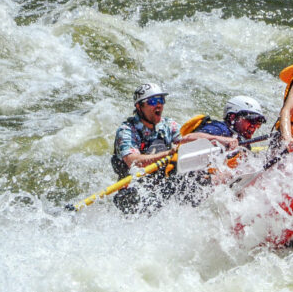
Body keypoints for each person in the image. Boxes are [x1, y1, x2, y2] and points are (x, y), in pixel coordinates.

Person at [110, 82, 233, 214]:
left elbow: (188, 138)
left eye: (161, 100)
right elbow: (133, 161)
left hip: (161, 186)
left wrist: (221, 140)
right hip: (134, 191)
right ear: (139, 107)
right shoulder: (127, 130)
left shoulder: (167, 125)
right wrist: (168, 153)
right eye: (152, 101)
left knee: (196, 179)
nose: (159, 105)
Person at [180, 95, 267, 169]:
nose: (254, 126)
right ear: (232, 117)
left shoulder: (241, 138)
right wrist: (219, 139)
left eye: (258, 123)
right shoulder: (219, 128)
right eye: (251, 120)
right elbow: (186, 139)